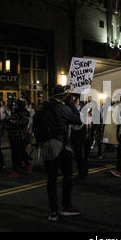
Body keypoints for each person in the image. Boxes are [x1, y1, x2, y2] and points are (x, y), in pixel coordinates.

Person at [37, 85, 83, 221]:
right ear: (62, 96)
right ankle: (66, 207)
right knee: (67, 175)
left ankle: (53, 211)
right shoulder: (61, 108)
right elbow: (77, 119)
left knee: (51, 179)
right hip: (59, 144)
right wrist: (72, 104)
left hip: (46, 145)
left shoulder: (42, 108)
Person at [5, 99, 31, 178]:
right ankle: (18, 168)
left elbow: (22, 123)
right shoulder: (13, 112)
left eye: (15, 105)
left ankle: (22, 167)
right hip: (12, 136)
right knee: (15, 153)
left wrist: (13, 122)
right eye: (13, 105)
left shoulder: (24, 112)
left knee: (20, 153)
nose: (14, 106)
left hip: (21, 136)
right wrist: (12, 122)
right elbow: (7, 121)